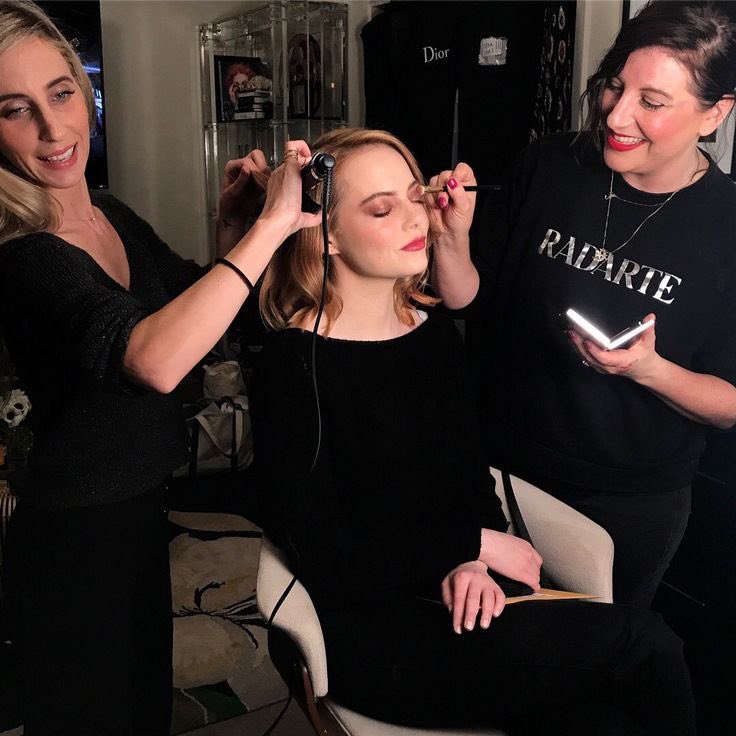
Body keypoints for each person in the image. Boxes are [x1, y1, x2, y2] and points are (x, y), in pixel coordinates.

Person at [252, 126, 697, 736]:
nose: (416, 219)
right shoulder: (292, 364)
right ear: (324, 233)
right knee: (647, 643)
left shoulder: (431, 333)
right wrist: (471, 547)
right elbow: (325, 554)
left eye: (415, 196)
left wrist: (472, 563)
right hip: (375, 633)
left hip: (464, 595)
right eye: (381, 209)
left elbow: (466, 475)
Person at [0, 2, 315, 734]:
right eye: (15, 110)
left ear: (83, 90)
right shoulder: (23, 254)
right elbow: (152, 360)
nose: (53, 129)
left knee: (142, 707)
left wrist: (233, 226)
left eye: (61, 93)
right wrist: (273, 226)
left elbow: (198, 312)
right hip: (75, 536)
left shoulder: (107, 212)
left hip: (140, 511)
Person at [430, 0, 736, 608]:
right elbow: (467, 298)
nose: (616, 115)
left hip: (624, 500)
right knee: (473, 635)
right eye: (614, 86)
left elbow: (729, 405)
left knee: (594, 650)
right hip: (496, 465)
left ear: (715, 113)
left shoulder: (725, 226)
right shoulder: (550, 164)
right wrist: (451, 237)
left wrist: (647, 370)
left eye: (652, 102)